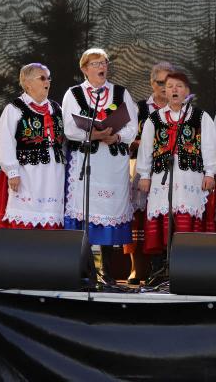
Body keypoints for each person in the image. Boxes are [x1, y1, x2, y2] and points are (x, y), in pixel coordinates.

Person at [62, 48, 139, 278]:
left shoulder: (121, 93)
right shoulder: (74, 94)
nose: (101, 67)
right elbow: (69, 128)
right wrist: (94, 135)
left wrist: (116, 137)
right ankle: (87, 272)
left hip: (112, 164)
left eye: (104, 63)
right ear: (84, 69)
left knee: (109, 214)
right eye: (95, 64)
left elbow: (132, 127)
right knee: (85, 212)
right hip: (86, 162)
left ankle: (108, 272)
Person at [136, 72, 216, 254]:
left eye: (179, 86)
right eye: (170, 86)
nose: (174, 89)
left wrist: (210, 173)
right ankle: (163, 264)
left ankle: (186, 260)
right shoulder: (154, 118)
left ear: (187, 91)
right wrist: (144, 175)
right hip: (162, 179)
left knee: (186, 217)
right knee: (164, 216)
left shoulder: (200, 116)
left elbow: (210, 146)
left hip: (191, 179)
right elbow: (146, 148)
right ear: (165, 92)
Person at [0, 63, 66, 229]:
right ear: (28, 83)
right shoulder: (14, 109)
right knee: (26, 217)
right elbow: (6, 141)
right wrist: (12, 172)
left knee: (50, 216)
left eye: (49, 78)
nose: (47, 82)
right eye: (42, 78)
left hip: (53, 172)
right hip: (27, 172)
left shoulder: (56, 108)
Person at [124, 61, 175, 283]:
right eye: (160, 82)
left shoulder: (182, 109)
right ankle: (137, 267)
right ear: (152, 83)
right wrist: (142, 143)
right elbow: (126, 137)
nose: (165, 87)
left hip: (171, 169)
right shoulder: (140, 108)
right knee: (138, 216)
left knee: (166, 215)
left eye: (169, 82)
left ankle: (164, 267)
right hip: (142, 167)